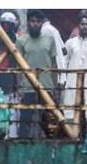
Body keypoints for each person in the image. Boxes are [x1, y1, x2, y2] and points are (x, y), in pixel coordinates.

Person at [16, 10, 58, 139]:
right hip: (27, 86)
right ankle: (23, 145)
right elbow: (18, 66)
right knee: (25, 119)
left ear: (42, 23)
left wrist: (55, 86)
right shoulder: (22, 40)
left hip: (46, 85)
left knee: (47, 118)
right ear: (28, 22)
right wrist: (19, 86)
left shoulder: (49, 40)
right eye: (33, 21)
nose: (35, 24)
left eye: (38, 21)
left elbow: (53, 64)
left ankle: (49, 146)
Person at [63, 13, 87, 132]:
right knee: (71, 110)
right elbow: (65, 62)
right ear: (78, 25)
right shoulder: (70, 43)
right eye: (82, 24)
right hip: (72, 81)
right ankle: (72, 137)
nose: (85, 26)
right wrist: (63, 80)